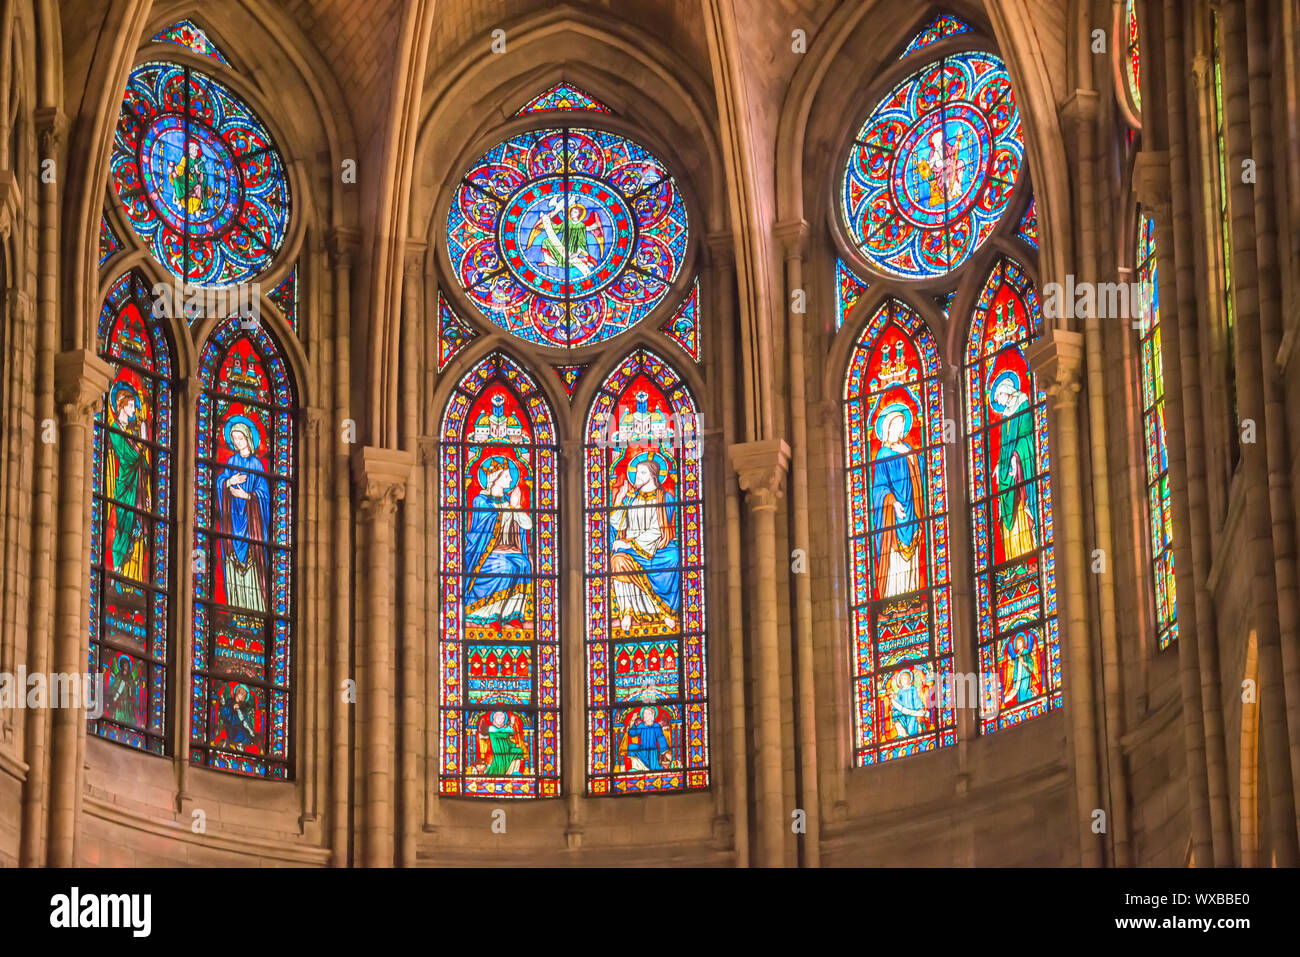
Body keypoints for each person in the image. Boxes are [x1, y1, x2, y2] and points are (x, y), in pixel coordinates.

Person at [609, 451, 680, 635]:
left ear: (652, 476)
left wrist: (629, 545)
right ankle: (628, 612)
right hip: (634, 550)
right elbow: (618, 524)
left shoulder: (665, 498)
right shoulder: (631, 499)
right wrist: (618, 500)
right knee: (616, 561)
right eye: (637, 473)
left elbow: (658, 530)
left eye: (642, 473)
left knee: (675, 557)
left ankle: (664, 610)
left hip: (658, 548)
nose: (637, 477)